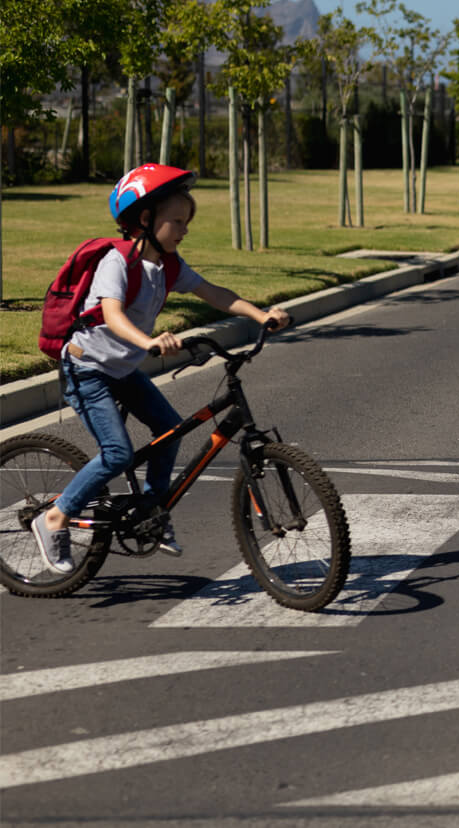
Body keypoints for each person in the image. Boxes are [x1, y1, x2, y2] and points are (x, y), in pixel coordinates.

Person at [31, 164, 291, 574]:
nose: (185, 230)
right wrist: (149, 342)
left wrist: (261, 315)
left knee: (170, 432)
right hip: (88, 369)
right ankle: (54, 518)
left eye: (187, 222)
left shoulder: (168, 265)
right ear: (145, 219)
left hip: (122, 369)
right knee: (117, 453)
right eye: (177, 221)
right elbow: (113, 314)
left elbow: (214, 293)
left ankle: (151, 512)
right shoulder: (117, 262)